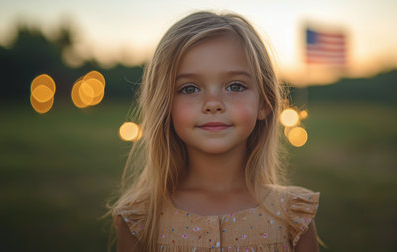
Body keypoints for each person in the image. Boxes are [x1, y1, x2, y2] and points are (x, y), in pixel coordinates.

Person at [111, 10, 320, 252]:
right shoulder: (141, 220)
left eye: (235, 86)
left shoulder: (292, 216)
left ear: (264, 103)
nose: (213, 103)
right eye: (189, 88)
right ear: (165, 104)